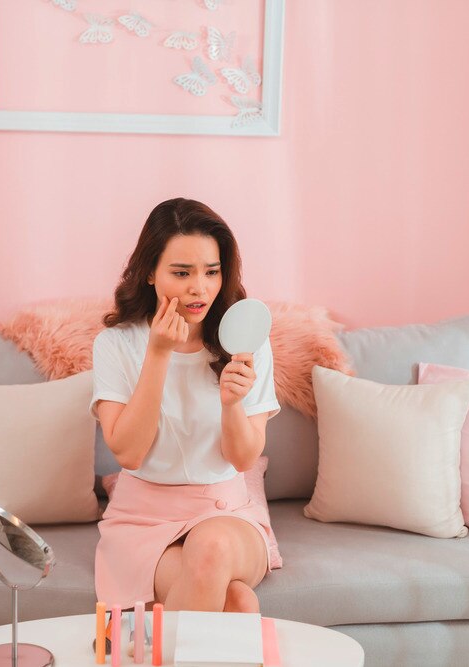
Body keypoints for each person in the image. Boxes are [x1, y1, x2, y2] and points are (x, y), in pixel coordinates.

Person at [91, 197, 281, 615]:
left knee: (210, 546)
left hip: (225, 514)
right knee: (237, 603)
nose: (200, 287)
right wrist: (158, 355)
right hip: (142, 520)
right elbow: (129, 452)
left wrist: (232, 403)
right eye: (182, 273)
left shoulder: (246, 339)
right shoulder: (116, 345)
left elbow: (243, 458)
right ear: (149, 274)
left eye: (212, 272)